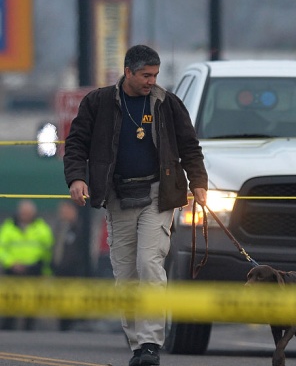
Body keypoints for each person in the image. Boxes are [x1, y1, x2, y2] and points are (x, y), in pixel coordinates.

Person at [63, 44, 207, 366]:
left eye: (155, 75)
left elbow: (189, 146)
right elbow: (76, 144)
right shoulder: (98, 103)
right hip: (118, 196)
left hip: (159, 194)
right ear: (128, 72)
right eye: (145, 75)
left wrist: (198, 182)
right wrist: (76, 178)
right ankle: (138, 347)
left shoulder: (167, 103)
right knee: (126, 275)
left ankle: (152, 345)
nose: (151, 81)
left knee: (149, 265)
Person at [0, 199, 54, 330]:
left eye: (28, 212)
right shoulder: (8, 227)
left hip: (34, 271)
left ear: (33, 213)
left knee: (31, 305)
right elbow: (2, 248)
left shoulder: (42, 228)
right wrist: (11, 263)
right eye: (23, 212)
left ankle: (28, 331)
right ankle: (8, 329)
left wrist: (45, 271)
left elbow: (48, 252)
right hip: (13, 271)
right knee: (10, 303)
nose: (25, 215)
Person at [52, 200, 89, 331]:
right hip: (60, 272)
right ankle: (64, 327)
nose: (62, 213)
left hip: (74, 273)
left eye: (65, 210)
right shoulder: (60, 227)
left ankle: (74, 327)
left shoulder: (81, 228)